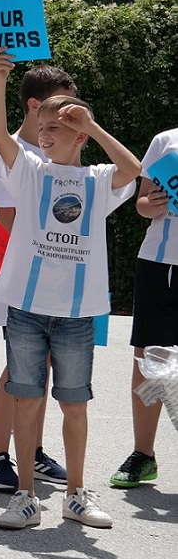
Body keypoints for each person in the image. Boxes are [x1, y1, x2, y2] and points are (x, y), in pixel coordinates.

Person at [0, 47, 139, 529]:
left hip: (77, 313)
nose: (45, 135)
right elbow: (0, 135)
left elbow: (132, 168)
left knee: (75, 405)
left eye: (56, 128)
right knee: (27, 401)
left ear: (79, 135)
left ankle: (76, 495)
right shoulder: (32, 171)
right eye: (42, 128)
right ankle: (25, 496)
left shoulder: (98, 179)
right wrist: (0, 82)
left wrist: (91, 124)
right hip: (27, 309)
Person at [0, 64, 78, 492]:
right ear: (36, 107)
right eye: (62, 105)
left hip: (48, 279)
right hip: (19, 277)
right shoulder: (14, 154)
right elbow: (5, 221)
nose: (70, 114)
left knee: (42, 364)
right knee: (21, 369)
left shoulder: (54, 151)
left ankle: (31, 452)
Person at [111, 125, 178, 488]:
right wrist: (151, 205)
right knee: (149, 360)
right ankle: (143, 454)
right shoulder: (166, 141)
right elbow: (141, 203)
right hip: (159, 261)